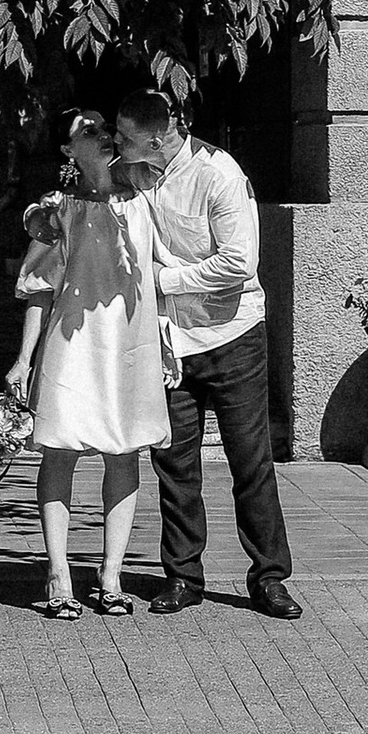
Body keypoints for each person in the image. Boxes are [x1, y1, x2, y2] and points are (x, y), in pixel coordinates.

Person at [115, 83, 300, 622]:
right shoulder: (137, 170)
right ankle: (182, 577)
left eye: (126, 138)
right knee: (173, 464)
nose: (118, 145)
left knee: (251, 462)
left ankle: (269, 579)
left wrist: (163, 281)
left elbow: (239, 263)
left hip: (231, 338)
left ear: (157, 137)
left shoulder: (217, 175)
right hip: (170, 342)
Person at [8, 111, 172, 621]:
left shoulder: (145, 198)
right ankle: (58, 573)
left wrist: (169, 343)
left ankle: (111, 575)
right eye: (86, 129)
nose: (99, 134)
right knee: (59, 452)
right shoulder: (58, 209)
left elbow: (162, 274)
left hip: (130, 343)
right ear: (68, 150)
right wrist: (22, 360)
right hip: (72, 344)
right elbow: (39, 288)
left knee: (124, 453)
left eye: (103, 127)